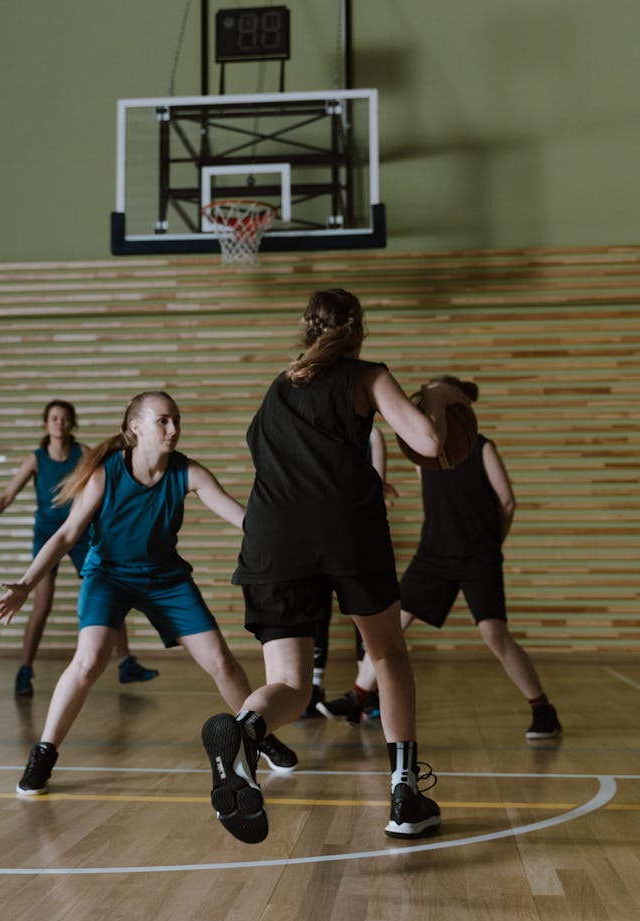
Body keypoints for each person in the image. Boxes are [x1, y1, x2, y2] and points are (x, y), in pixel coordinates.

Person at [201, 289, 471, 845]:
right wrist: (439, 398)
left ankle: (246, 732)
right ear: (358, 330)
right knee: (389, 652)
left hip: (271, 538)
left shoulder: (279, 386)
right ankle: (404, 795)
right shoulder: (365, 375)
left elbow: (264, 451)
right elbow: (427, 440)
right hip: (346, 532)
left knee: (291, 685)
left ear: (306, 329)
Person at [0, 391, 296, 796]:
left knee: (221, 661)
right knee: (89, 660)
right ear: (136, 427)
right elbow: (66, 534)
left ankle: (258, 734)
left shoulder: (188, 472)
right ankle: (44, 752)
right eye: (163, 420)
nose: (173, 429)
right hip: (108, 576)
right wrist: (26, 584)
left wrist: (287, 534)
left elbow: (242, 519)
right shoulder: (105, 473)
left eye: (177, 421)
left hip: (166, 579)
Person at [319, 375, 562, 741]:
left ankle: (543, 708)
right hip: (433, 554)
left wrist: (491, 544)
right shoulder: (423, 456)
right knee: (392, 625)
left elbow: (507, 501)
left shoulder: (482, 448)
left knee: (494, 634)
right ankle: (357, 697)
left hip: (478, 555)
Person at [0, 398, 158, 697]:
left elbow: (111, 476)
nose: (60, 423)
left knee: (109, 594)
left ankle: (126, 663)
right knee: (41, 604)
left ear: (72, 423)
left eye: (65, 418)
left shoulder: (82, 454)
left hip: (80, 534)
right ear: (46, 424)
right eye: (54, 418)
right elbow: (6, 495)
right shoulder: (36, 459)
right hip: (46, 535)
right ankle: (25, 670)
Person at [302, 425, 394, 720]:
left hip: (357, 534)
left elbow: (376, 485)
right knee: (316, 611)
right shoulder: (310, 430)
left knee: (364, 611)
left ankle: (367, 691)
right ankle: (313, 687)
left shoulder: (371, 434)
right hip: (315, 532)